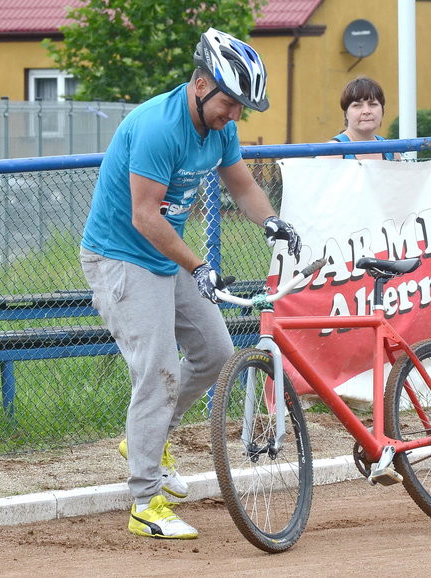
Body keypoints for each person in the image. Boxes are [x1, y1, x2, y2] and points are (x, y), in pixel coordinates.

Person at [79, 27, 301, 540]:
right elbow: (143, 217)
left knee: (218, 355)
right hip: (123, 256)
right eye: (230, 102)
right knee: (157, 371)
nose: (235, 115)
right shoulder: (159, 127)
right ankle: (144, 501)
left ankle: (144, 438)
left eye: (242, 107)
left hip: (166, 254)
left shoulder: (219, 127)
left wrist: (271, 220)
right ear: (201, 85)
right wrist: (199, 264)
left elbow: (242, 184)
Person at [320, 76, 398, 160]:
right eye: (357, 105)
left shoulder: (392, 151)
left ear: (382, 110)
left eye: (373, 104)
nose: (366, 111)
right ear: (346, 113)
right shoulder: (332, 153)